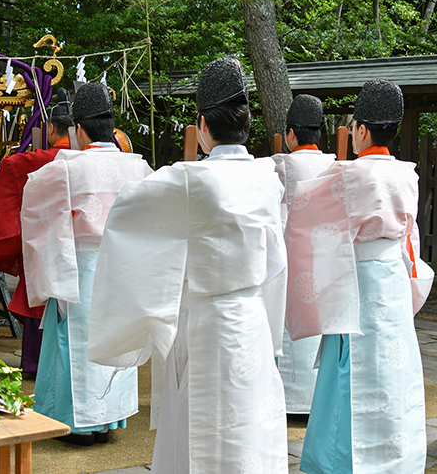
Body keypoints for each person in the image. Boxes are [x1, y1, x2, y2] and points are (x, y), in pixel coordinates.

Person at [87, 57, 289, 472]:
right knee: (250, 428)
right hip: (251, 317)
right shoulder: (268, 176)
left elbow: (125, 210)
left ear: (201, 127)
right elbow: (274, 261)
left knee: (201, 432)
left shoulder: (187, 180)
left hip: (206, 323)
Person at [285, 79, 433, 473]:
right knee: (393, 367)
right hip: (392, 278)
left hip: (357, 279)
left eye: (352, 126)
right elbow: (410, 237)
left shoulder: (346, 174)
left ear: (361, 130)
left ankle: (341, 461)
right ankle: (398, 457)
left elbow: (304, 220)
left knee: (349, 368)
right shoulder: (408, 175)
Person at [21, 82, 152, 446]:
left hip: (81, 264)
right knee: (116, 338)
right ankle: (110, 418)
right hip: (124, 265)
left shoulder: (65, 169)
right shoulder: (139, 168)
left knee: (76, 341)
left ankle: (80, 423)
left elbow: (36, 217)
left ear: (79, 129)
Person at [0, 88, 73, 375]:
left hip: (44, 245)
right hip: (84, 248)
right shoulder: (96, 161)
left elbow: (8, 171)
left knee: (39, 296)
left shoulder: (33, 161)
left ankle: (34, 362)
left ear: (52, 128)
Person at [272, 94, 335, 415]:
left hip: (288, 258)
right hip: (325, 261)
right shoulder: (334, 166)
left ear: (291, 134)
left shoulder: (281, 166)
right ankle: (317, 397)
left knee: (287, 327)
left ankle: (288, 397)